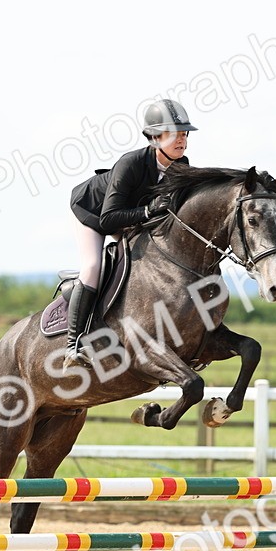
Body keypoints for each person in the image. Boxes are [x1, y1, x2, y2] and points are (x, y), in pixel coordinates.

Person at [65, 98, 197, 365]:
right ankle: (73, 345)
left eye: (184, 134)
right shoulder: (131, 164)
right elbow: (108, 219)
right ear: (154, 137)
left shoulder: (182, 166)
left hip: (128, 216)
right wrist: (148, 211)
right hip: (93, 213)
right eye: (174, 134)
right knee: (93, 266)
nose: (182, 141)